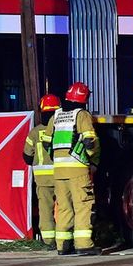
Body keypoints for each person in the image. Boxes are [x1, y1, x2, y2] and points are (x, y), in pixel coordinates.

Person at [49, 81, 101, 256]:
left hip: (58, 170)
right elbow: (90, 141)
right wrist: (93, 161)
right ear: (84, 98)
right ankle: (84, 244)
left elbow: (48, 143)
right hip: (78, 169)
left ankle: (63, 245)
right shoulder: (82, 115)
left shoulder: (55, 115)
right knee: (83, 206)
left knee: (64, 207)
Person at [23, 93, 61, 247]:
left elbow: (26, 157)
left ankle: (48, 240)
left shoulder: (34, 132)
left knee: (45, 210)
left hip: (42, 179)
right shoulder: (62, 130)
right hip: (62, 176)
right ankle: (64, 240)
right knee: (65, 208)